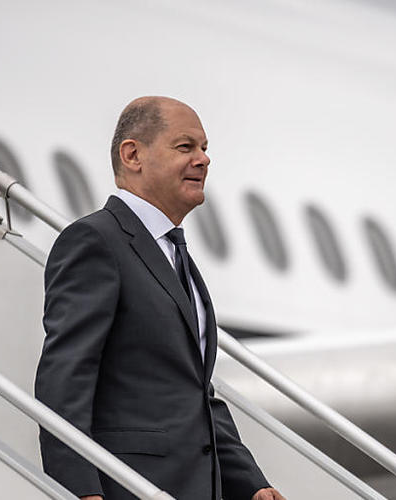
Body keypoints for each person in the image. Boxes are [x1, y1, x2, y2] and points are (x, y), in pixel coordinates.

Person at [35, 96, 286, 500]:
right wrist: (79, 489)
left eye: (205, 149)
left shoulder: (175, 254)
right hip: (130, 487)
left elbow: (194, 397)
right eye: (186, 147)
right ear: (132, 155)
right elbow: (65, 375)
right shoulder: (97, 241)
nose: (203, 160)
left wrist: (251, 483)